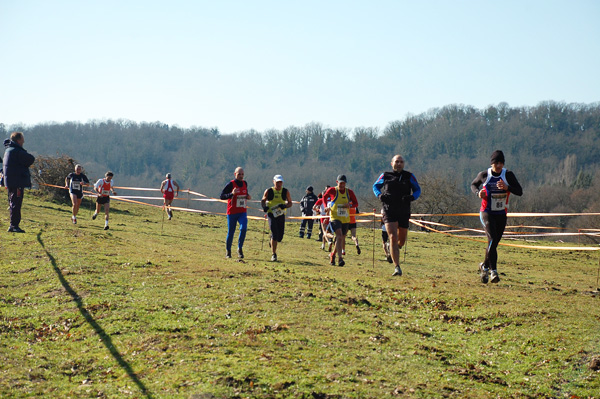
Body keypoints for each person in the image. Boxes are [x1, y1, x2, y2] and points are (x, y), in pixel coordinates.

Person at [471, 150, 523, 284]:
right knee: (492, 239)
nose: (498, 166)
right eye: (496, 163)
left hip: (501, 214)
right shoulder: (484, 175)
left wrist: (507, 187)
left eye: (501, 163)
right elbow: (473, 184)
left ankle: (484, 266)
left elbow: (520, 191)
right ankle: (493, 271)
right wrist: (478, 193)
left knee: (493, 243)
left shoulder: (508, 175)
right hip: (486, 212)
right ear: (492, 163)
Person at [373, 155, 421, 276]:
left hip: (404, 210)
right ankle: (397, 267)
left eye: (401, 162)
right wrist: (379, 195)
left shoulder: (409, 176)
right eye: (396, 161)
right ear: (392, 163)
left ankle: (393, 248)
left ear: (404, 164)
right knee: (393, 236)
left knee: (401, 241)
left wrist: (412, 197)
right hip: (389, 209)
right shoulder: (385, 175)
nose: (399, 164)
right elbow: (375, 186)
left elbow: (418, 190)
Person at [3, 132, 35, 233]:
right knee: (16, 203)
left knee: (12, 202)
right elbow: (30, 159)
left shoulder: (9, 150)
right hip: (17, 181)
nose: (24, 141)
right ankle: (14, 225)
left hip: (10, 181)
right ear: (18, 140)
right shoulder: (17, 151)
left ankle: (13, 225)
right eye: (22, 139)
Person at [323, 175, 358, 267]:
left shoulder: (349, 192)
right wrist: (326, 206)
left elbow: (356, 203)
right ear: (337, 182)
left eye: (343, 183)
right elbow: (324, 197)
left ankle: (333, 254)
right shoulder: (332, 190)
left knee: (341, 238)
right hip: (334, 217)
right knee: (338, 235)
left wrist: (350, 205)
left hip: (345, 218)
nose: (342, 185)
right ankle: (340, 258)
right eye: (340, 183)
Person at [220, 167, 251, 259]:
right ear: (235, 174)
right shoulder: (230, 184)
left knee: (244, 228)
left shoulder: (245, 183)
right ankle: (228, 251)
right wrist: (231, 194)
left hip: (242, 212)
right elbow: (221, 196)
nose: (241, 176)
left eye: (242, 174)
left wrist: (247, 196)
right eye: (239, 174)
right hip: (232, 212)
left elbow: (245, 194)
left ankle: (240, 248)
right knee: (231, 232)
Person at [261, 174, 293, 262]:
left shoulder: (285, 191)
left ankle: (272, 239)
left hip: (280, 215)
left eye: (280, 182)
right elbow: (263, 200)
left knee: (280, 237)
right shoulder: (269, 191)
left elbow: (290, 203)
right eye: (277, 182)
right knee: (275, 234)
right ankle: (274, 254)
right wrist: (264, 207)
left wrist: (285, 205)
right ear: (273, 182)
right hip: (271, 214)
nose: (279, 184)